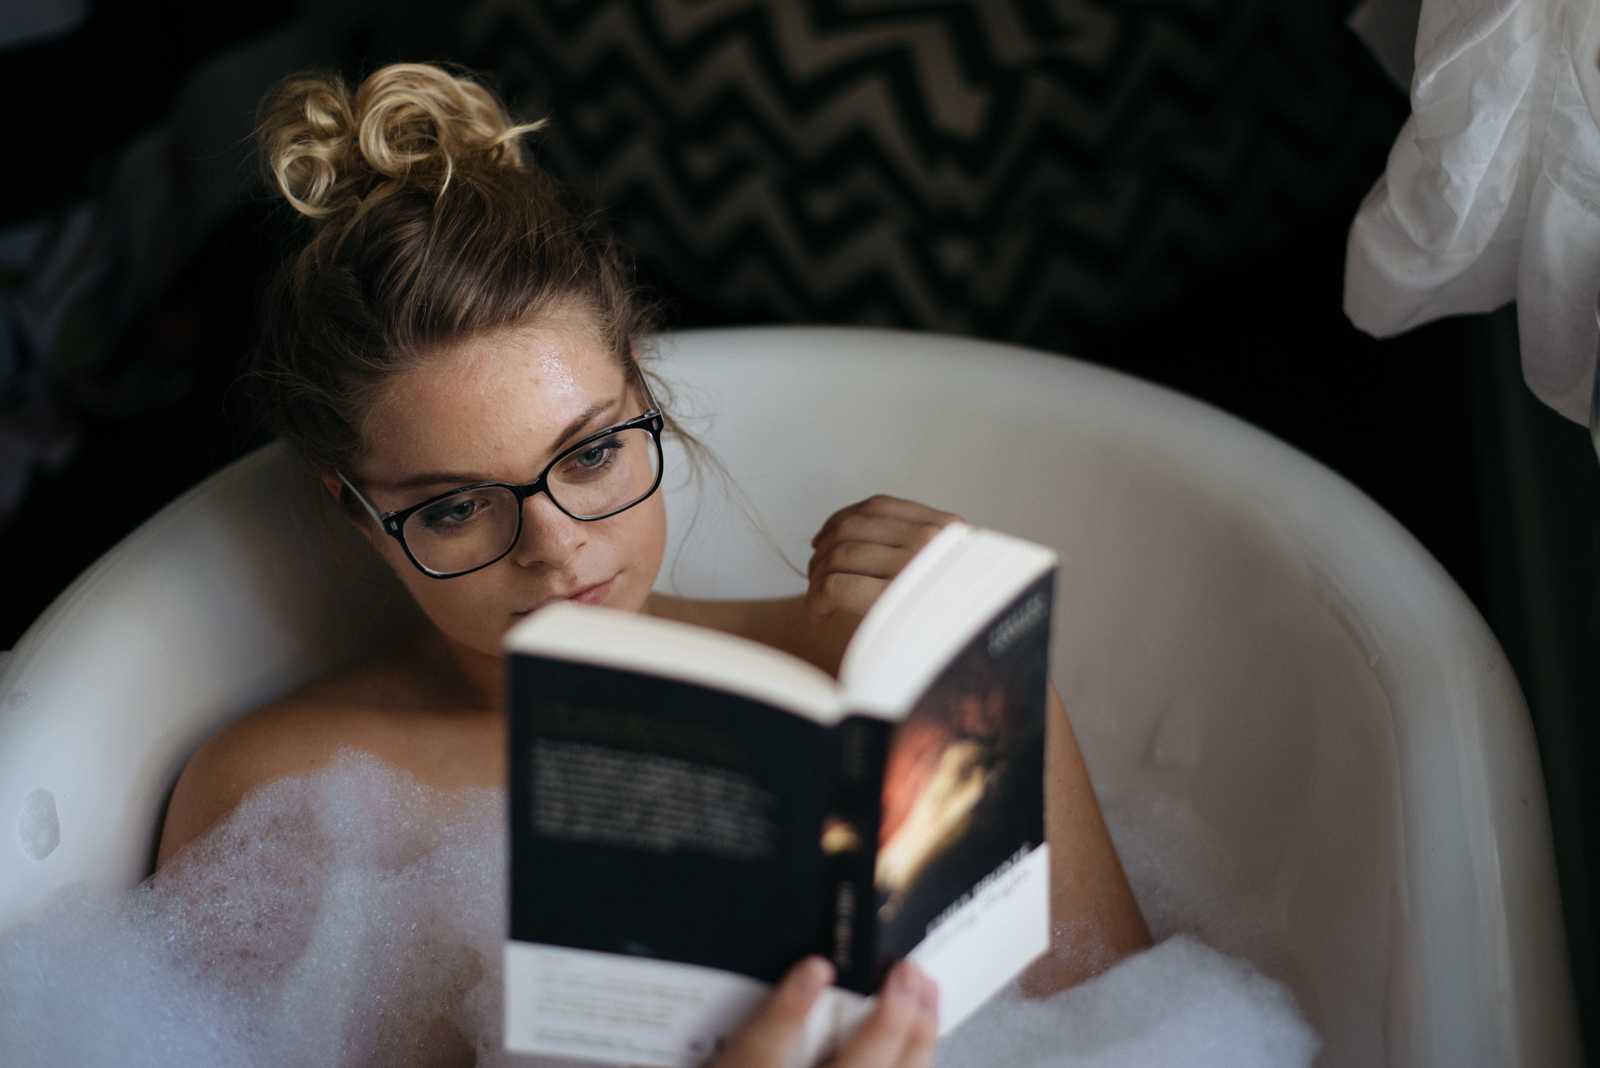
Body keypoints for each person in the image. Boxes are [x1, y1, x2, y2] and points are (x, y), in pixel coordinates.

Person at [152, 62, 1151, 1068]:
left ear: (647, 401)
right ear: (361, 515)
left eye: (589, 455)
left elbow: (1141, 1029)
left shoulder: (864, 677)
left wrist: (986, 653)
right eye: (454, 508)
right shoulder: (280, 800)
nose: (555, 549)